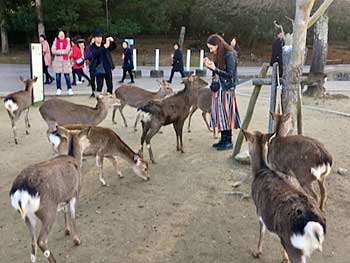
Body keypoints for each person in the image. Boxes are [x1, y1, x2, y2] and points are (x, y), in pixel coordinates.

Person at [204, 34, 241, 151]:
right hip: (219, 89)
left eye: (211, 48)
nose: (210, 50)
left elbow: (230, 75)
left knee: (226, 114)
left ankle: (228, 140)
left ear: (217, 45)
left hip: (227, 90)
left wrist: (215, 69)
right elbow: (219, 72)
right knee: (221, 115)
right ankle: (223, 139)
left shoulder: (229, 55)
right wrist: (211, 66)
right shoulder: (219, 54)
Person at [90, 31, 116, 95]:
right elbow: (95, 53)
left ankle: (109, 97)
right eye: (98, 37)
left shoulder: (104, 44)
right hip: (98, 68)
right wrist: (104, 47)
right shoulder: (92, 47)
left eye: (100, 37)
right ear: (94, 38)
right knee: (99, 85)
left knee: (110, 85)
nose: (99, 38)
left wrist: (112, 41)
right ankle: (98, 99)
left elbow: (113, 47)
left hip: (107, 67)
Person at [51, 31, 73, 96]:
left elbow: (67, 50)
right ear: (58, 36)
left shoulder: (67, 42)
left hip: (65, 61)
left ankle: (69, 89)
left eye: (62, 35)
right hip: (57, 61)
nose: (61, 36)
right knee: (58, 75)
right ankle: (58, 89)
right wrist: (62, 52)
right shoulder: (55, 42)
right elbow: (53, 50)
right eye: (60, 35)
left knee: (67, 75)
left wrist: (59, 52)